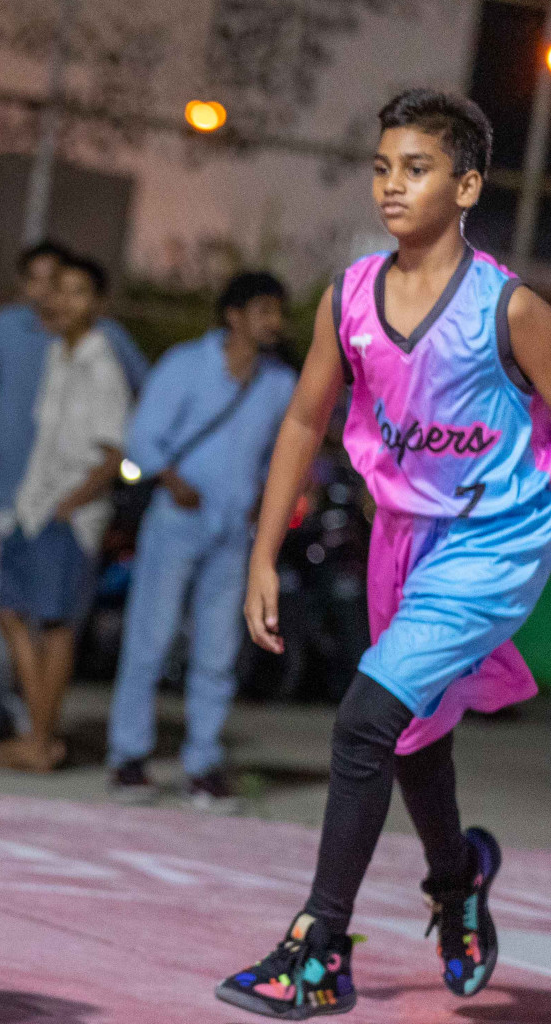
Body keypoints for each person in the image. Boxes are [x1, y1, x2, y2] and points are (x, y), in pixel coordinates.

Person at [217, 89, 551, 1018]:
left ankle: (320, 948)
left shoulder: (511, 308)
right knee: (410, 736)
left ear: (469, 184)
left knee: (364, 719)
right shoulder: (351, 295)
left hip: (493, 543)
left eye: (417, 168)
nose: (392, 186)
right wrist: (261, 553)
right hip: (401, 537)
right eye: (381, 167)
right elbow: (301, 418)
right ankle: (458, 880)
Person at [105, 272, 296, 811]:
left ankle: (203, 763)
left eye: (276, 312)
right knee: (152, 636)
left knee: (218, 648)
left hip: (236, 528)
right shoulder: (187, 364)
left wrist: (264, 497)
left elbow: (280, 452)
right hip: (177, 519)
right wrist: (169, 476)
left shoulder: (278, 383)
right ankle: (129, 756)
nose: (274, 322)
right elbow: (142, 435)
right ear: (234, 314)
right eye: (264, 310)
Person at [0, 255, 133, 772]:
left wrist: (73, 503)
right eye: (58, 290)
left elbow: (114, 452)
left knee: (53, 626)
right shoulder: (59, 355)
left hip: (65, 513)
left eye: (77, 292)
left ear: (99, 304)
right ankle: (40, 737)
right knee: (14, 613)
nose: (62, 300)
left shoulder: (101, 361)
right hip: (34, 506)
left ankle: (41, 742)